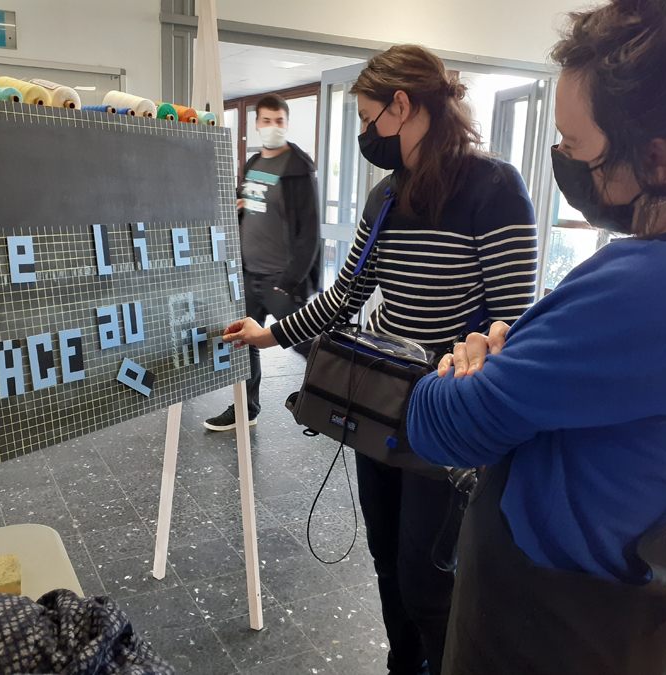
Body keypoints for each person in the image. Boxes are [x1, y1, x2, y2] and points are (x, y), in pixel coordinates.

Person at [406, 1, 666, 673]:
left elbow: (440, 427)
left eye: (573, 145)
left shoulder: (658, 283)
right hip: (620, 603)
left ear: (659, 157)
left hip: (539, 628)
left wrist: (457, 370)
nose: (562, 159)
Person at [223, 46, 538, 675]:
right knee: (386, 557)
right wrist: (271, 336)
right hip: (381, 404)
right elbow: (346, 297)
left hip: (447, 414)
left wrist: (474, 373)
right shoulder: (386, 196)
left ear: (403, 105)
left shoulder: (495, 188)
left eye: (369, 120)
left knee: (428, 574)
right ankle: (403, 666)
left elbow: (513, 322)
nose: (367, 134)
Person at [204, 94, 320, 432]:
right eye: (267, 120)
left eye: (279, 121)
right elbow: (249, 206)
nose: (273, 127)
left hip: (280, 278)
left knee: (304, 342)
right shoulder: (253, 164)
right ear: (256, 124)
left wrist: (290, 279)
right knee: (244, 343)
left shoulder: (299, 169)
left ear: (287, 123)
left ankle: (333, 399)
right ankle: (246, 408)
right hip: (247, 273)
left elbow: (309, 231)